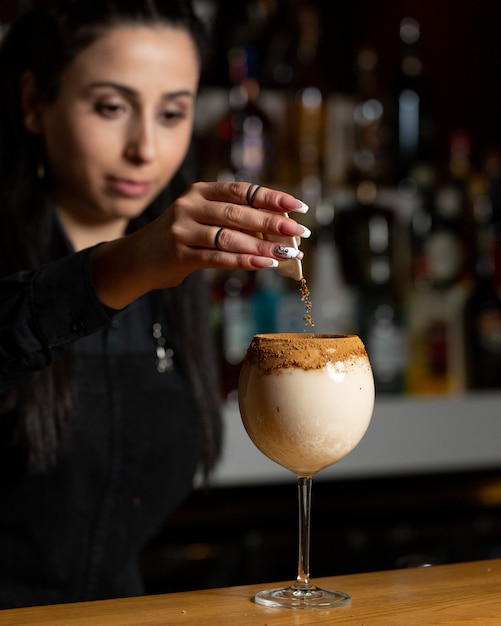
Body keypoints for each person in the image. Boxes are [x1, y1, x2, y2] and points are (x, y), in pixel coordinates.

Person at [0, 0, 310, 609]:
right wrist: (123, 266)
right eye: (112, 107)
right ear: (36, 102)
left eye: (172, 113)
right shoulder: (151, 257)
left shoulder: (179, 274)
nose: (145, 147)